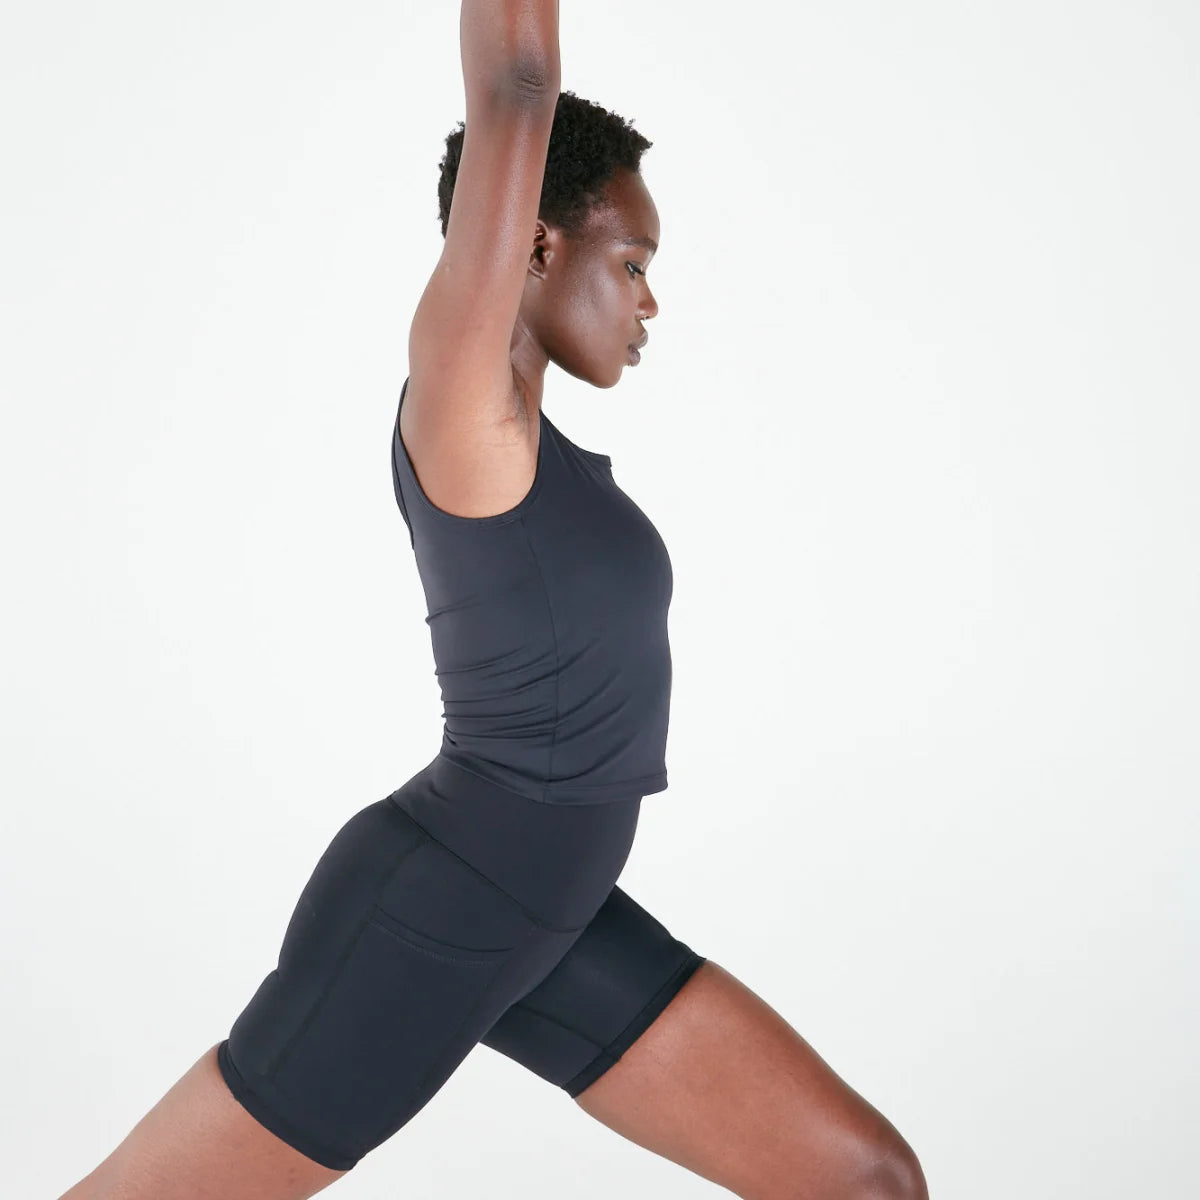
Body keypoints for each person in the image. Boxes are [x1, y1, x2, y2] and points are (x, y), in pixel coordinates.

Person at [58, 4, 928, 1198]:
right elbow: (517, 89)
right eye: (632, 264)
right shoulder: (469, 405)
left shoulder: (540, 450)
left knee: (864, 1178)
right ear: (528, 247)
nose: (649, 303)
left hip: (546, 915)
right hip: (434, 915)